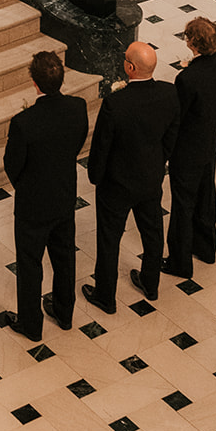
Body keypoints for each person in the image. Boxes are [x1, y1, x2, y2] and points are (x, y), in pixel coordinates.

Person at [83, 41, 180, 313]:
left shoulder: (115, 103)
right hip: (150, 177)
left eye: (125, 58)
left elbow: (101, 145)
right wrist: (159, 161)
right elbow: (172, 133)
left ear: (130, 67)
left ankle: (106, 295)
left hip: (117, 183)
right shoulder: (169, 93)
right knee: (152, 231)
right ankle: (151, 283)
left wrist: (96, 176)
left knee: (109, 238)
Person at [3, 50, 89, 341]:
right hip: (64, 194)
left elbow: (12, 165)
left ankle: (31, 324)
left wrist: (26, 186)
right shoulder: (78, 108)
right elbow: (77, 144)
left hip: (33, 202)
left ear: (34, 82)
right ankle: (64, 313)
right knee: (64, 255)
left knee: (30, 263)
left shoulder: (23, 122)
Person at [163, 17, 216, 280]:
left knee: (183, 204)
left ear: (192, 42)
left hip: (187, 150)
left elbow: (178, 117)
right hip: (209, 141)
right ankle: (206, 247)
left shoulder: (187, 79)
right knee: (206, 195)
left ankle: (179, 262)